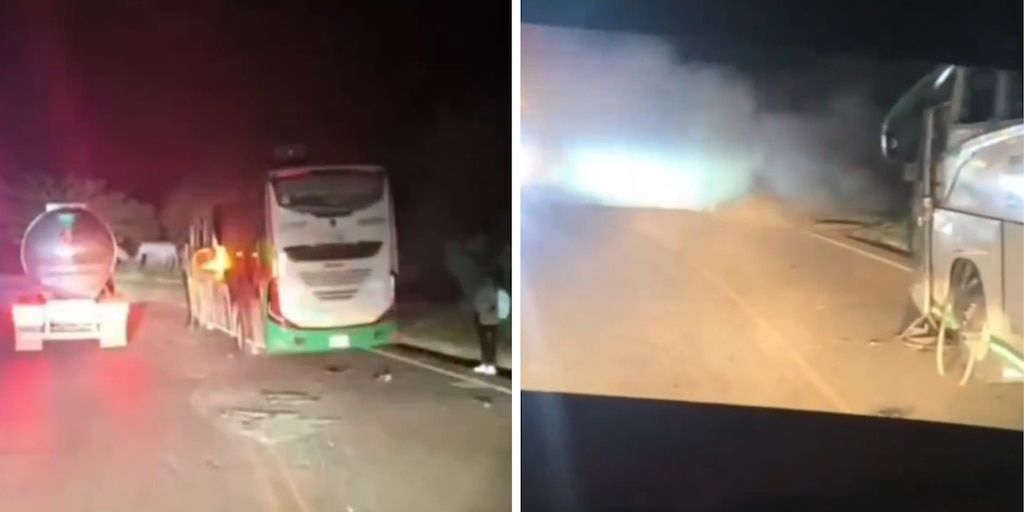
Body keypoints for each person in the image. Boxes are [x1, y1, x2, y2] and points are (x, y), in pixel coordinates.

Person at [472, 272, 511, 375]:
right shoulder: (486, 291)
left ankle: (490, 364)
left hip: (488, 319)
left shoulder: (494, 292)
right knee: (485, 343)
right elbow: (478, 303)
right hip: (484, 319)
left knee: (489, 343)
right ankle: (486, 363)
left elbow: (481, 304)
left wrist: (483, 308)